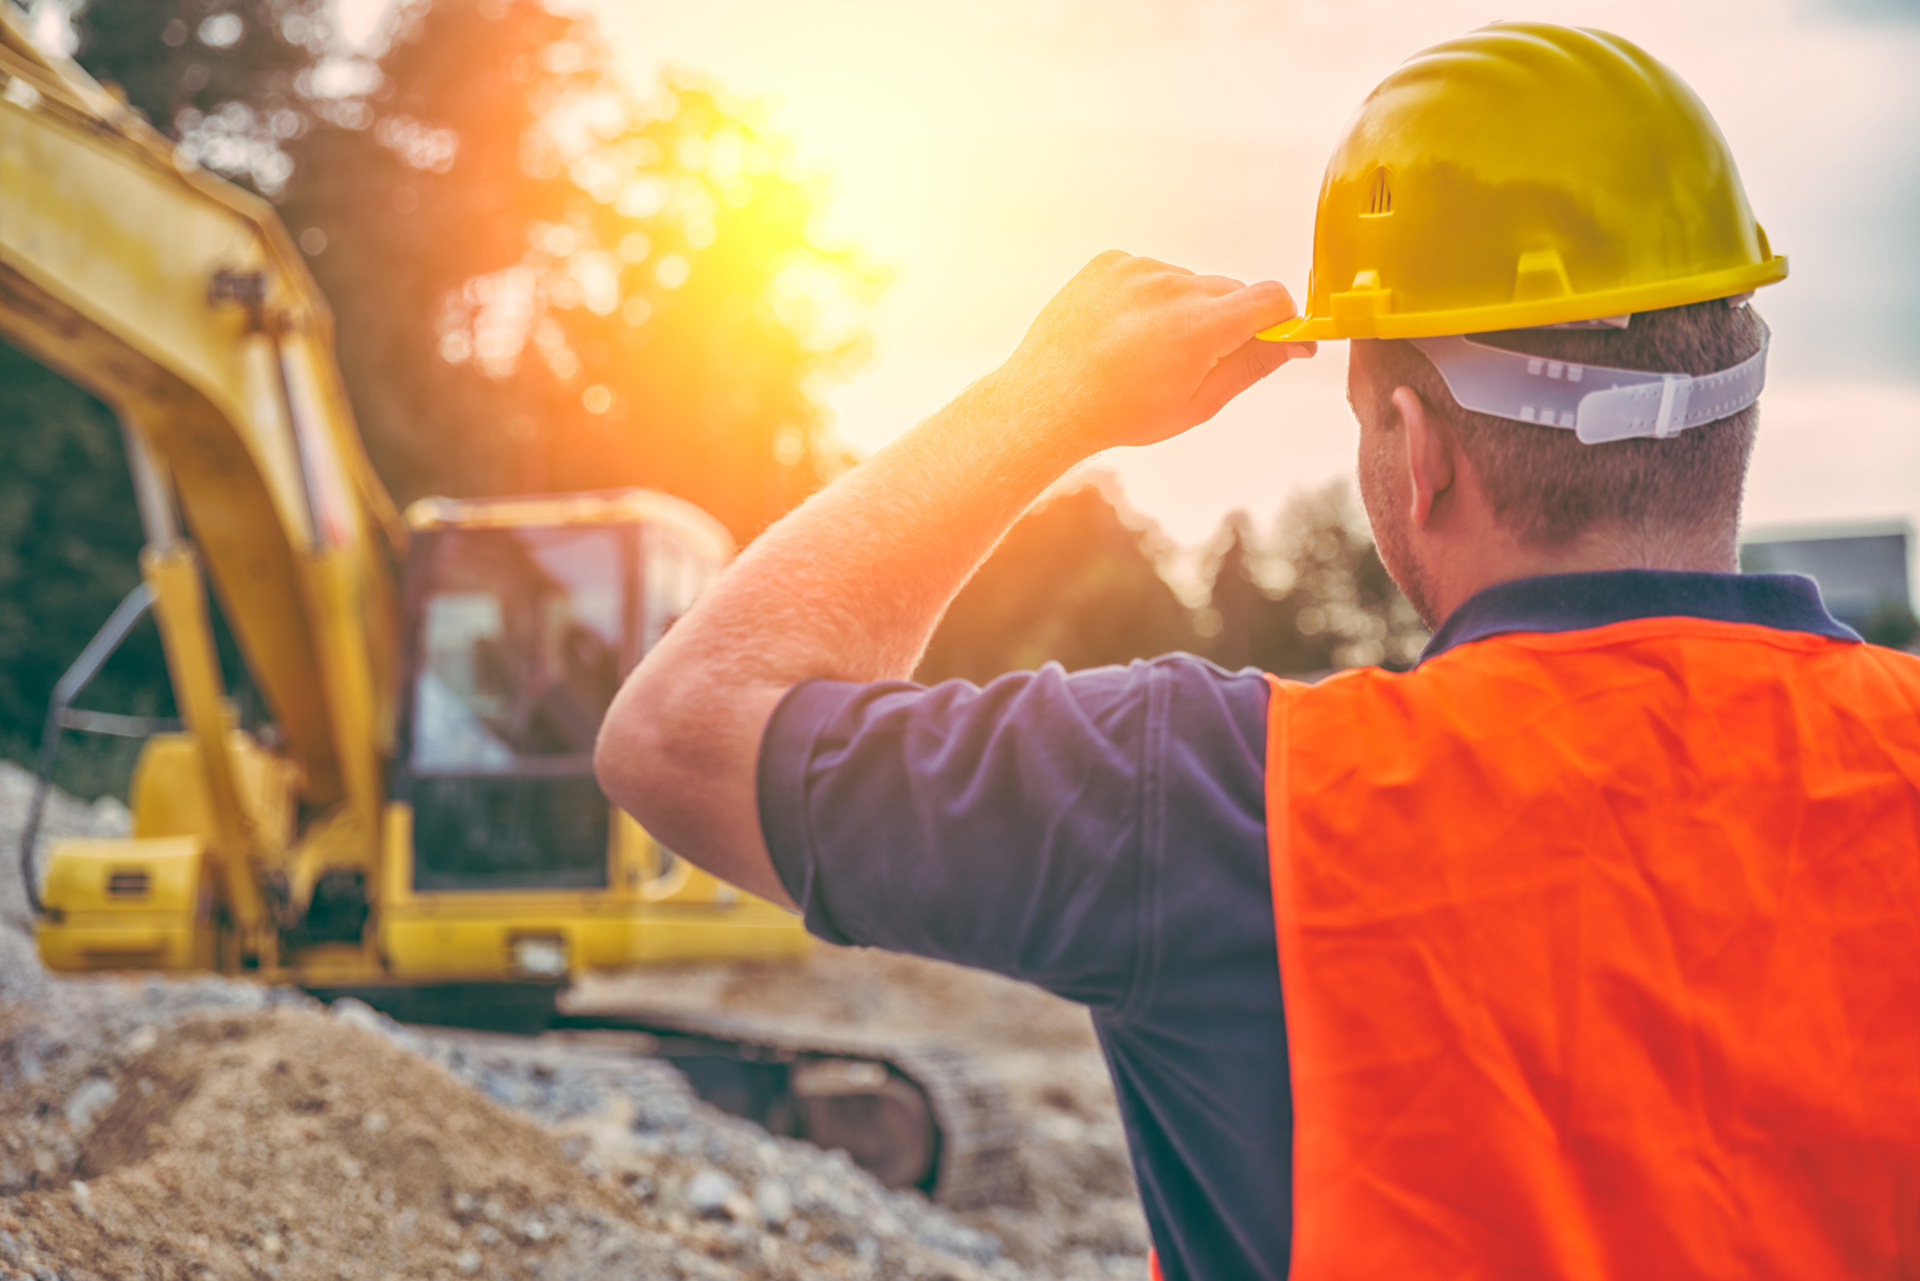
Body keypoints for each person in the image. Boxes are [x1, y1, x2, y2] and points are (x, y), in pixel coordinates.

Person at [596, 21, 1920, 1279]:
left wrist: (1044, 402)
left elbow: (684, 732)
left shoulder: (1222, 800)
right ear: (1737, 390)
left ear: (1418, 449)